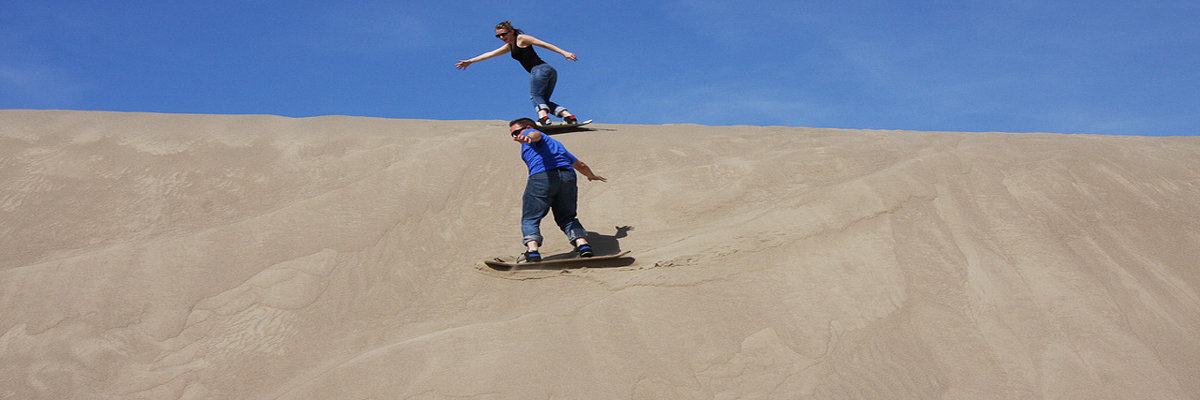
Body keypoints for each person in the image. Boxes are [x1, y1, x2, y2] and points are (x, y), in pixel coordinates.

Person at [507, 117, 605, 262]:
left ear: (527, 127)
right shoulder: (556, 144)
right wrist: (591, 176)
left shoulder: (532, 135)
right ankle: (583, 245)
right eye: (512, 135)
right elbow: (580, 165)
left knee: (530, 217)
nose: (515, 137)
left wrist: (527, 137)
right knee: (567, 217)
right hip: (568, 177)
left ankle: (532, 251)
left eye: (516, 132)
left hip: (543, 177)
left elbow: (536, 135)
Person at [457, 21, 580, 126]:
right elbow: (490, 54)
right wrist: (470, 61)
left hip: (540, 69)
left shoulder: (521, 38)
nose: (501, 38)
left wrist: (564, 52)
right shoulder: (509, 46)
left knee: (535, 96)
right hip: (548, 71)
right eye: (498, 36)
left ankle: (543, 118)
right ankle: (569, 117)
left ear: (511, 31)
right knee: (543, 100)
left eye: (504, 34)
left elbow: (543, 43)